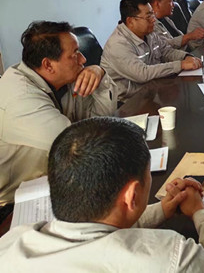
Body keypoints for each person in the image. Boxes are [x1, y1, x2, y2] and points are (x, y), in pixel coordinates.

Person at [0, 117, 204, 272]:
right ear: (132, 195)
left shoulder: (11, 243)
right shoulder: (165, 258)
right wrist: (200, 212)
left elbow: (94, 234)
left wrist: (162, 209)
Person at [0, 21, 117, 206]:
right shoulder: (20, 98)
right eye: (75, 54)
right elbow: (78, 148)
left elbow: (101, 119)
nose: (83, 60)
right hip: (14, 202)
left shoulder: (62, 79)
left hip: (54, 177)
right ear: (48, 65)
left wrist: (99, 72)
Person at [101, 0, 202, 102]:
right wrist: (180, 65)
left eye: (153, 14)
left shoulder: (149, 33)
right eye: (148, 17)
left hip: (150, 91)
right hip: (127, 102)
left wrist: (186, 57)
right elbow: (142, 73)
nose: (153, 19)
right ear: (130, 21)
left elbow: (166, 51)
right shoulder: (118, 44)